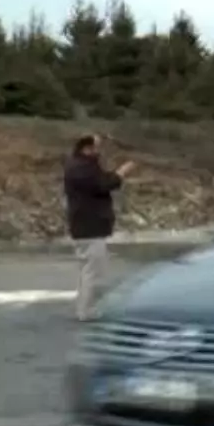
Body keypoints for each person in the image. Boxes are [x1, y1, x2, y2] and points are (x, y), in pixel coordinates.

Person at [64, 134, 134, 321]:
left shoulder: (82, 166)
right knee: (93, 270)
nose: (98, 152)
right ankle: (87, 311)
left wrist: (115, 175)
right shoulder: (81, 167)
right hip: (89, 227)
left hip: (86, 226)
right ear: (86, 148)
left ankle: (85, 308)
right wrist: (121, 173)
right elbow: (102, 184)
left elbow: (101, 180)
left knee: (88, 269)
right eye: (96, 148)